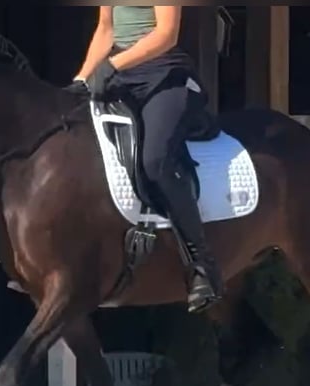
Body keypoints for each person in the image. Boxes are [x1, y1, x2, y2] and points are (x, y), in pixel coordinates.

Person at [66, 6, 224, 314]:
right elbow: (106, 30)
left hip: (163, 74)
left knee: (155, 161)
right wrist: (83, 78)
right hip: (121, 75)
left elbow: (165, 34)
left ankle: (202, 266)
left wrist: (111, 66)